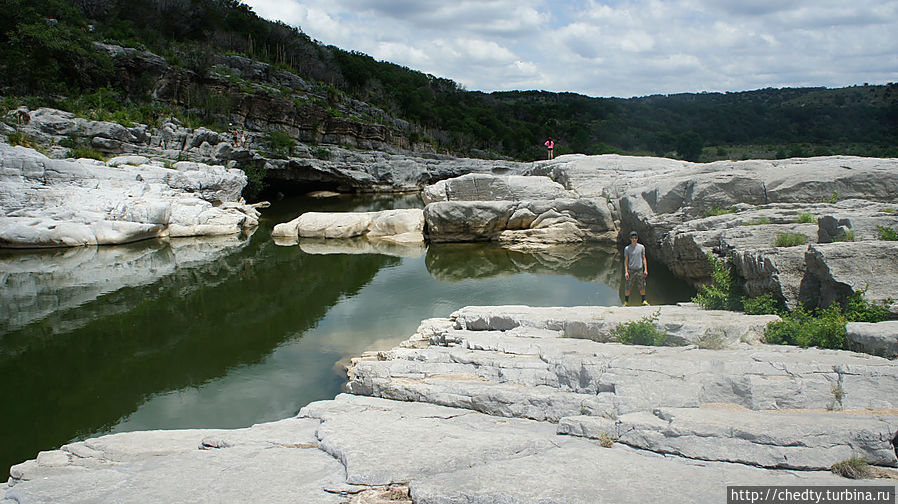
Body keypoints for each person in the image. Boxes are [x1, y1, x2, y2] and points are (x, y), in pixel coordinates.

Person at [623, 230, 648, 306]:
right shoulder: (627, 248)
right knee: (628, 287)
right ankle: (626, 302)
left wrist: (645, 270)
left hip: (639, 270)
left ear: (637, 238)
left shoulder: (641, 247)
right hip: (631, 270)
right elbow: (626, 260)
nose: (634, 239)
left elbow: (644, 258)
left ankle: (643, 300)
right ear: (630, 239)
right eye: (632, 238)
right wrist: (626, 271)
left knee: (642, 286)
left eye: (635, 238)